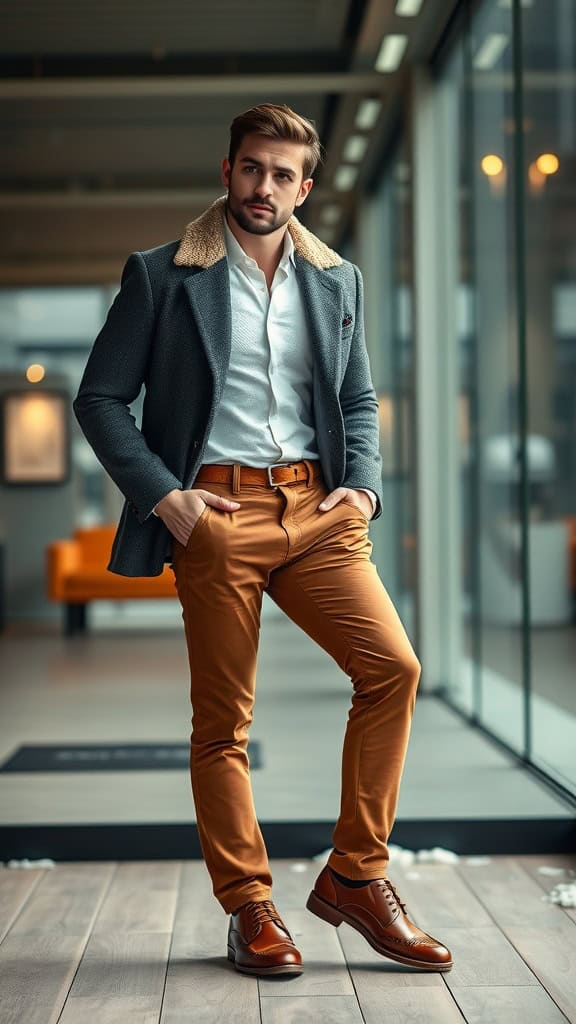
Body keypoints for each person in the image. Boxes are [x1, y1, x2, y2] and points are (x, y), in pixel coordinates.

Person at [73, 102, 452, 977]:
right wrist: (168, 500)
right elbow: (99, 399)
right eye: (252, 168)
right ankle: (250, 907)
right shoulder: (163, 276)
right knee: (223, 724)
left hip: (317, 513)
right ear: (227, 170)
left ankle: (357, 878)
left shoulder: (337, 281)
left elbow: (357, 399)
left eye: (284, 175)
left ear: (305, 188)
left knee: (392, 669)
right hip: (216, 514)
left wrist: (362, 486)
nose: (265, 186)